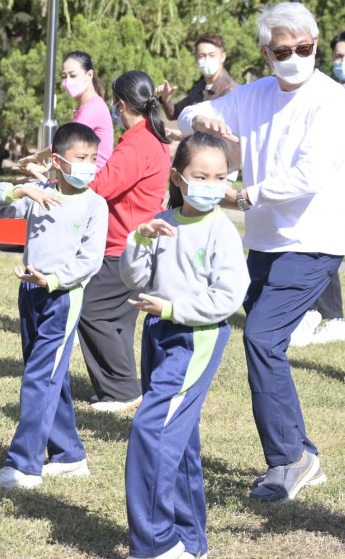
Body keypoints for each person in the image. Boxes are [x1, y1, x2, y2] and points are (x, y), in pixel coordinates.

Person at [178, 2, 345, 503]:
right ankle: (302, 450)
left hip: (312, 243)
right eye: (285, 50)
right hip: (262, 243)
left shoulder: (331, 101)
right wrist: (203, 116)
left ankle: (288, 460)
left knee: (260, 338)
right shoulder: (253, 94)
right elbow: (189, 115)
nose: (297, 57)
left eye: (306, 48)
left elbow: (307, 177)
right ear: (265, 52)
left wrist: (239, 197)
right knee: (265, 343)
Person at [120, 132, 248, 559]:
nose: (211, 185)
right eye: (201, 176)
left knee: (151, 430)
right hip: (158, 332)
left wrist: (172, 309)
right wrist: (139, 241)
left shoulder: (222, 232)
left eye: (219, 177)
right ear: (178, 177)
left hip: (195, 340)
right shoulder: (164, 222)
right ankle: (191, 542)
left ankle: (158, 544)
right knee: (182, 440)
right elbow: (135, 280)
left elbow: (227, 299)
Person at [0, 122, 108, 490]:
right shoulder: (39, 194)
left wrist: (52, 280)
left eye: (93, 158)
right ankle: (69, 456)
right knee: (51, 376)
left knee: (39, 377)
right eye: (81, 158)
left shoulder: (95, 205)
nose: (88, 165)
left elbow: (89, 261)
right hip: (30, 294)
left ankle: (24, 466)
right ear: (57, 161)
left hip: (62, 297)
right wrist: (21, 188)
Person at [79, 71, 171, 413]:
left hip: (124, 245)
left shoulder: (137, 142)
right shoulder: (151, 135)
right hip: (137, 242)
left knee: (90, 310)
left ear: (120, 105)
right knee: (117, 318)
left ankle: (121, 390)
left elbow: (103, 185)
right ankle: (121, 386)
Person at [291, 29, 345, 346]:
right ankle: (316, 312)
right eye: (338, 56)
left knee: (326, 245)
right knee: (314, 243)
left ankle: (334, 320)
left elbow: (341, 100)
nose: (342, 62)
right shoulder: (324, 87)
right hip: (327, 179)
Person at [158, 32, 239, 122]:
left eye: (212, 55)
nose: (207, 60)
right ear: (196, 58)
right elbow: (175, 113)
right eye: (202, 56)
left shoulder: (231, 90)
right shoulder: (200, 87)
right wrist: (166, 98)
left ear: (222, 57)